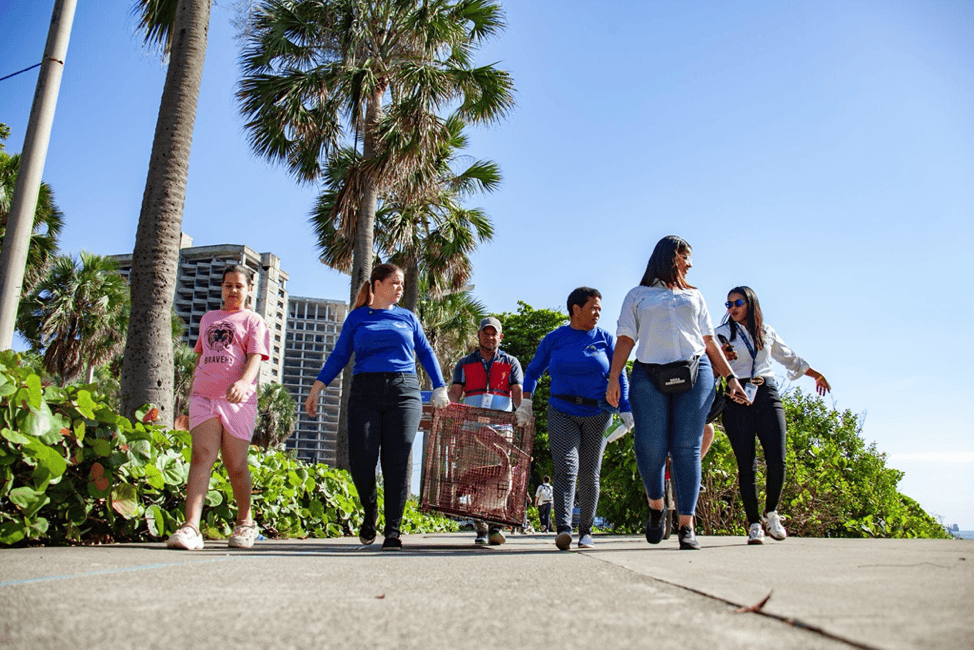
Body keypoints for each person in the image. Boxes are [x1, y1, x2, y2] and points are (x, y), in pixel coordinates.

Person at [606, 236, 746, 551]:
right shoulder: (638, 295)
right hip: (649, 373)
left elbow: (708, 341)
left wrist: (731, 377)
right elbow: (627, 339)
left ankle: (686, 525)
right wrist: (614, 378)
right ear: (672, 257)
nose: (691, 264)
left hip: (696, 371)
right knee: (650, 446)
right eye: (686, 257)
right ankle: (656, 507)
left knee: (687, 446)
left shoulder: (694, 296)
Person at [305, 263, 449, 551]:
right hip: (364, 392)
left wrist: (439, 386)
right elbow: (340, 355)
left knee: (396, 461)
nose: (400, 288)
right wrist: (318, 387)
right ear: (378, 284)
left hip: (404, 392)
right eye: (395, 282)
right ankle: (370, 511)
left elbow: (425, 352)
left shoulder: (408, 318)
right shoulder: (357, 318)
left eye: (402, 284)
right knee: (362, 459)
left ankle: (392, 530)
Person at [516, 287, 634, 551]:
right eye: (593, 308)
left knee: (590, 472)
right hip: (562, 410)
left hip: (598, 413)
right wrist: (526, 401)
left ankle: (586, 531)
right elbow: (534, 370)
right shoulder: (555, 338)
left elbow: (620, 374)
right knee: (567, 469)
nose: (598, 313)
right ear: (576, 309)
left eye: (600, 309)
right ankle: (564, 529)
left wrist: (625, 409)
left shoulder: (605, 339)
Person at [716, 285, 831, 545]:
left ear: (751, 304)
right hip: (737, 396)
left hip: (766, 392)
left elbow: (790, 358)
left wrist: (816, 375)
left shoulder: (767, 332)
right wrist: (721, 359)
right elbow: (709, 361)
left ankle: (772, 514)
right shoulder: (721, 334)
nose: (732, 308)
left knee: (777, 459)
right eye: (728, 304)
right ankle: (754, 524)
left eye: (737, 302)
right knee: (747, 465)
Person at [167, 265, 270, 551]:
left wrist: (243, 383)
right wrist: (190, 397)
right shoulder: (208, 319)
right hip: (203, 397)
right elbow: (200, 358)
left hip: (238, 399)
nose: (233, 291)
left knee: (235, 464)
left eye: (239, 286)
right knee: (201, 456)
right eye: (228, 285)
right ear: (222, 287)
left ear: (249, 288)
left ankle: (245, 522)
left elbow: (255, 357)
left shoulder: (253, 320)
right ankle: (190, 528)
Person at [448, 316, 524, 546]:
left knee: (500, 477)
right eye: (486, 333)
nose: (490, 337)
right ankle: (480, 526)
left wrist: (523, 409)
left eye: (494, 333)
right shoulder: (464, 363)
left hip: (501, 429)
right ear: (479, 335)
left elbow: (518, 392)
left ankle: (496, 525)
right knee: (474, 476)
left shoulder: (511, 363)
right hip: (472, 428)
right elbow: (456, 392)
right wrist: (447, 403)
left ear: (500, 337)